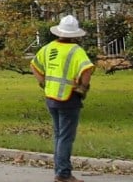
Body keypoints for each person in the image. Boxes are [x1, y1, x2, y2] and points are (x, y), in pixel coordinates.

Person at [30, 14, 95, 182]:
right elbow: (87, 69)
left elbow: (34, 65)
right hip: (69, 98)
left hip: (51, 97)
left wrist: (42, 82)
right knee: (66, 137)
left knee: (59, 135)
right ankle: (63, 174)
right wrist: (83, 87)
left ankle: (60, 171)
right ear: (75, 35)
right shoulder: (76, 51)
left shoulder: (48, 48)